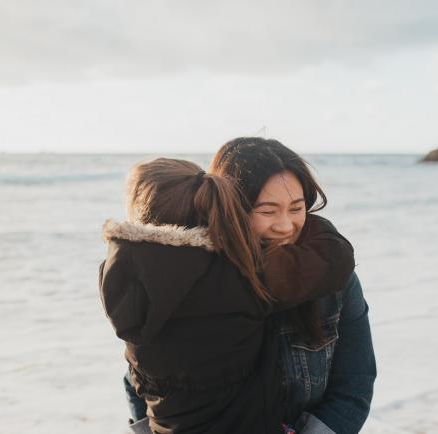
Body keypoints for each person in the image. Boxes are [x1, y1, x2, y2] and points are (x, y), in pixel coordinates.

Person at [100, 157, 356, 433]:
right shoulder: (236, 276)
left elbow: (134, 379)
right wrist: (309, 222)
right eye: (267, 211)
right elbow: (333, 259)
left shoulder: (116, 276)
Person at [209, 137, 377, 433]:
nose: (285, 226)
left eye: (296, 208)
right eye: (267, 211)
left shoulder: (334, 278)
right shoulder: (195, 274)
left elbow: (354, 385)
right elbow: (147, 383)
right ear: (231, 210)